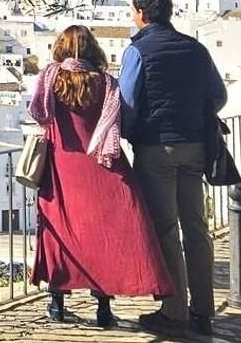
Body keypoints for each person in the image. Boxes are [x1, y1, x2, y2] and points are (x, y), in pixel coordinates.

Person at [30, 25, 175, 329]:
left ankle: (56, 302)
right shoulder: (106, 84)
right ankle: (103, 309)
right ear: (93, 48)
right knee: (104, 236)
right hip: (103, 166)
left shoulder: (50, 78)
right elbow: (120, 119)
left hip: (61, 168)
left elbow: (38, 113)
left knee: (60, 232)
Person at [120, 0, 227, 337]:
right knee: (196, 228)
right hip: (195, 145)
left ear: (141, 13)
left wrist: (130, 135)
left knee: (166, 229)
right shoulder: (195, 49)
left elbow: (129, 103)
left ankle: (174, 311)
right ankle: (204, 311)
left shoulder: (138, 50)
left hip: (156, 148)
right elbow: (218, 94)